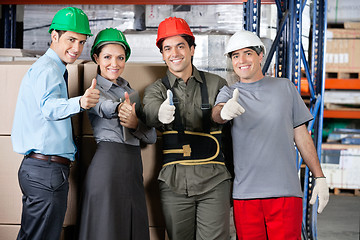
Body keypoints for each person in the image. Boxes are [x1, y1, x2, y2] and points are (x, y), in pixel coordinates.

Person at [212, 30, 329, 240]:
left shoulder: (284, 87)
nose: (242, 60)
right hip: (246, 195)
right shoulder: (230, 93)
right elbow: (217, 114)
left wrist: (319, 176)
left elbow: (301, 135)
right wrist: (223, 112)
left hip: (285, 192)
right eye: (235, 56)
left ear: (260, 56)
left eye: (247, 53)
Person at [11, 7, 99, 240]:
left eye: (81, 42)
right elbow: (49, 108)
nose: (76, 48)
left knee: (34, 235)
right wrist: (81, 102)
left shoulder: (52, 69)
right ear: (54, 36)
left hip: (41, 170)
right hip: (45, 170)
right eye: (71, 39)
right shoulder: (49, 70)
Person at [143, 17, 232, 240]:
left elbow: (220, 111)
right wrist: (159, 114)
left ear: (192, 49)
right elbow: (149, 110)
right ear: (162, 54)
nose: (175, 53)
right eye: (167, 48)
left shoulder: (216, 84)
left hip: (215, 181)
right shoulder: (156, 90)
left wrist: (223, 113)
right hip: (173, 183)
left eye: (181, 46)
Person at [78, 28, 156, 240]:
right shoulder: (93, 91)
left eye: (120, 57)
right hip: (108, 167)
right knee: (106, 229)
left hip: (133, 167)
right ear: (96, 58)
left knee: (133, 228)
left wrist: (134, 123)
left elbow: (151, 137)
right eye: (107, 57)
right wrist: (120, 109)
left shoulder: (130, 92)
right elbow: (103, 107)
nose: (114, 63)